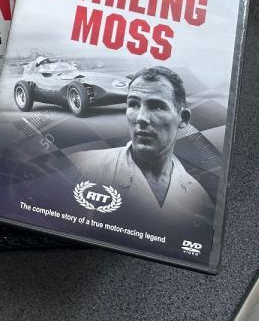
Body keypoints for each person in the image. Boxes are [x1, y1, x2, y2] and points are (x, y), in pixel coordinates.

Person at [72, 66, 213, 225]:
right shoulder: (81, 165)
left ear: (183, 118)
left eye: (157, 106)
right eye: (133, 104)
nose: (141, 118)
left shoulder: (198, 197)